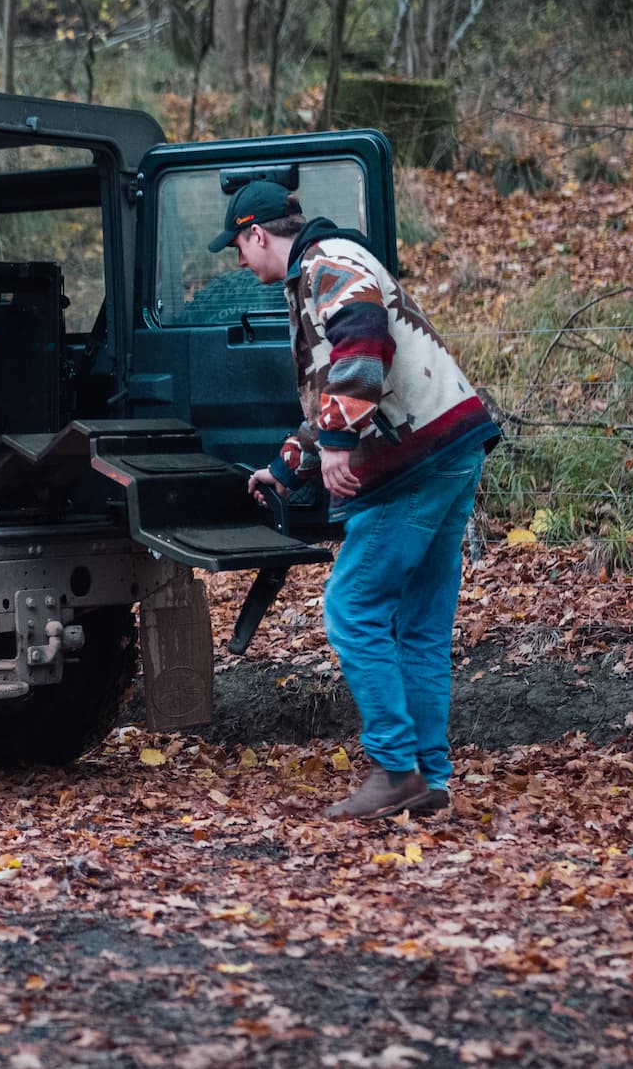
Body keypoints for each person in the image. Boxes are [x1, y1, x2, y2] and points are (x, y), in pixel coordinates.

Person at [209, 180, 500, 821]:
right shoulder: (331, 263)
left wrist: (339, 441)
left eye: (238, 247)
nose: (240, 260)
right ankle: (427, 777)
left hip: (416, 465)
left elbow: (365, 341)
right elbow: (337, 385)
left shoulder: (327, 263)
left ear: (258, 234)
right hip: (452, 449)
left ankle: (395, 769)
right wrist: (288, 469)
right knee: (418, 627)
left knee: (352, 608)